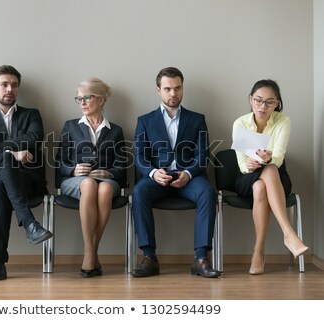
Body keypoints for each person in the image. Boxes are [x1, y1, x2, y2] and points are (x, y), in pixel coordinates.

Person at [131, 67, 220, 278]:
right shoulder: (145, 120)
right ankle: (149, 257)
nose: (173, 94)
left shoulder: (197, 119)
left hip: (189, 178)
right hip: (157, 179)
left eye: (177, 88)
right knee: (138, 192)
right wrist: (153, 173)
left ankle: (200, 259)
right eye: (168, 89)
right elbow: (139, 156)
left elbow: (202, 153)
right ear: (158, 90)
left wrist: (188, 173)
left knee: (208, 192)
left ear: (182, 88)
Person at [0, 65, 52, 281]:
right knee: (3, 162)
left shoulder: (31, 114)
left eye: (14, 85)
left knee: (0, 185)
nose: (9, 89)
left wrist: (1, 149)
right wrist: (11, 152)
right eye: (4, 84)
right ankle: (30, 223)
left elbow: (34, 138)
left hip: (25, 179)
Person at [232, 79, 308, 275]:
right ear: (250, 100)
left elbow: (279, 157)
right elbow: (241, 164)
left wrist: (268, 158)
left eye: (269, 102)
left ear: (277, 103)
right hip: (246, 177)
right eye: (258, 100)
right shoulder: (240, 123)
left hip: (277, 177)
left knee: (266, 177)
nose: (262, 106)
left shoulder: (283, 121)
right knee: (259, 181)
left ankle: (258, 251)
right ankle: (288, 233)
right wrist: (249, 164)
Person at [56, 77, 127, 277]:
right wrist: (73, 170)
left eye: (87, 97)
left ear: (102, 99)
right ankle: (90, 253)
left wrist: (109, 173)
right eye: (79, 99)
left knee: (103, 188)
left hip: (106, 180)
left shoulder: (116, 131)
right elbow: (60, 161)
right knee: (88, 184)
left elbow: (122, 166)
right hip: (75, 181)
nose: (83, 103)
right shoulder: (70, 126)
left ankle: (92, 251)